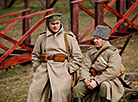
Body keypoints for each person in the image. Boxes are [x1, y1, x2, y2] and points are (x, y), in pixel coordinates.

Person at [27, 13, 82, 102]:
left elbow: (78, 56)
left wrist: (68, 69)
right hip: (43, 70)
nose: (55, 26)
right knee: (34, 92)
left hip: (62, 71)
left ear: (60, 23)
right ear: (48, 24)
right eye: (52, 24)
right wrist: (37, 68)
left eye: (57, 23)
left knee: (60, 94)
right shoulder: (42, 38)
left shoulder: (68, 37)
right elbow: (35, 55)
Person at [73, 25, 124, 102]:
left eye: (97, 38)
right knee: (77, 89)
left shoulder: (113, 52)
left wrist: (97, 81)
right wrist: (86, 79)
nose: (94, 40)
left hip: (108, 79)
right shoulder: (91, 51)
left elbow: (112, 71)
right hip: (91, 78)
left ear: (104, 40)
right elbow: (84, 66)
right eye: (94, 38)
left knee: (104, 87)